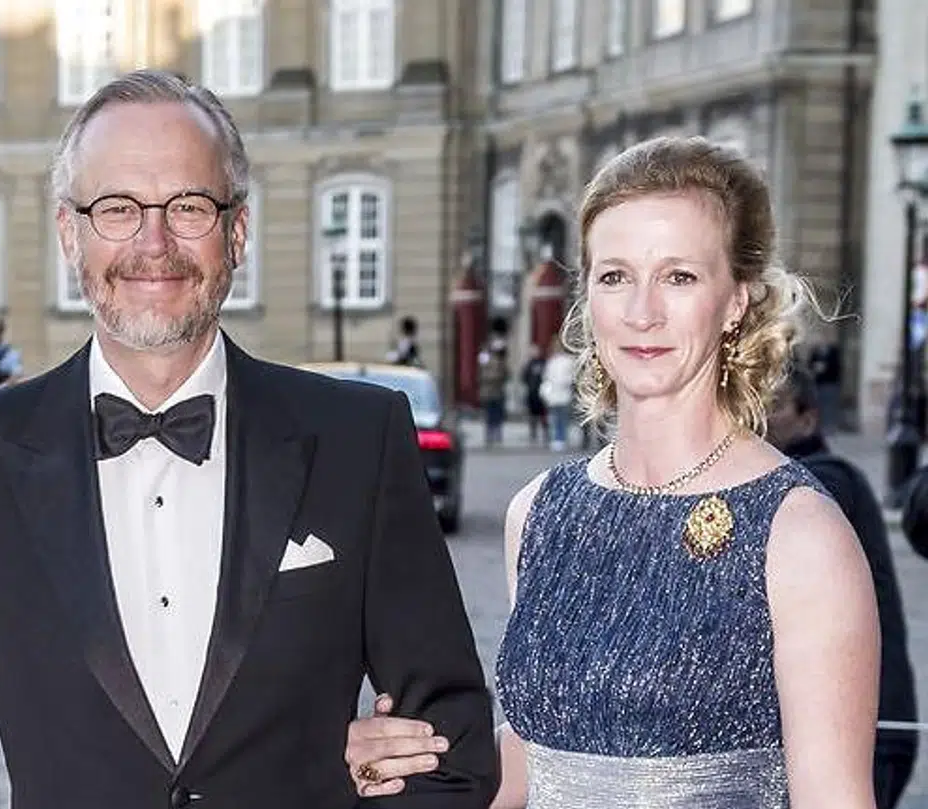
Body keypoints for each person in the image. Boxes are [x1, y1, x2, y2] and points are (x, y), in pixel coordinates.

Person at [0, 69, 497, 809]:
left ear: (236, 231)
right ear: (70, 233)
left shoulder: (358, 439)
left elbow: (456, 745)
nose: (154, 244)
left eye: (188, 206)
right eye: (117, 208)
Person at [348, 136, 879, 807]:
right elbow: (536, 758)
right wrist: (403, 763)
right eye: (615, 276)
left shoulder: (798, 532)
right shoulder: (540, 510)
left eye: (679, 276)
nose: (641, 312)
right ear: (588, 295)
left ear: (736, 301)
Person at [766, 366, 917, 808]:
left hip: (867, 731)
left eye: (774, 405)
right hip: (858, 728)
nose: (757, 416)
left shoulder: (821, 485)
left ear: (809, 418)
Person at [519, 345, 547, 445]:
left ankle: (545, 432)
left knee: (543, 414)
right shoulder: (529, 364)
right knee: (532, 414)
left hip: (542, 392)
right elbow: (523, 377)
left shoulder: (543, 362)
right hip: (531, 392)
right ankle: (533, 432)